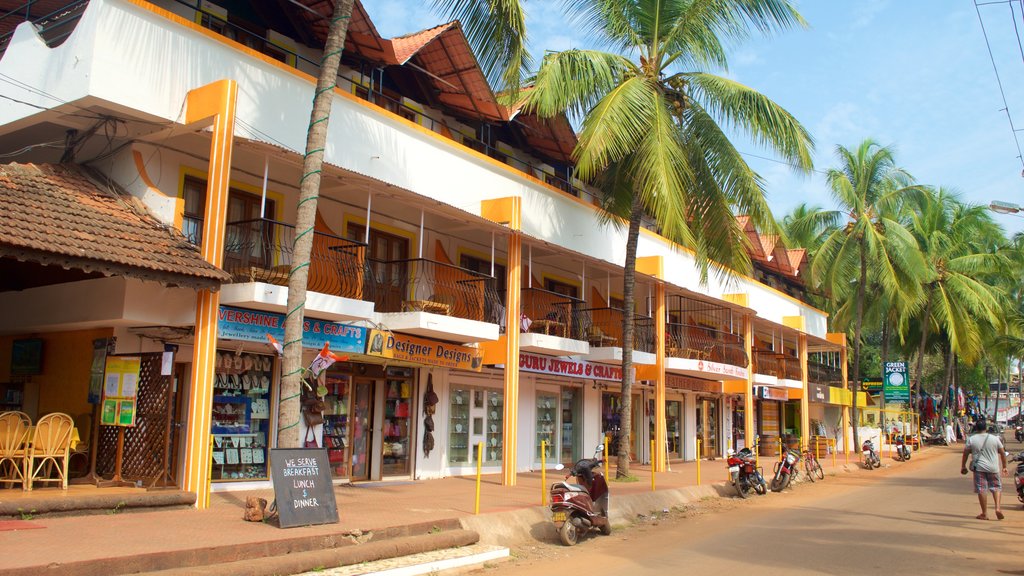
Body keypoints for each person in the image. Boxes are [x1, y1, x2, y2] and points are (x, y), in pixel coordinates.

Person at [961, 419, 1008, 520]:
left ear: (976, 428)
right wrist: (1004, 467)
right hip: (994, 468)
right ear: (986, 428)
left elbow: (965, 453)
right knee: (996, 488)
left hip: (979, 468)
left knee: (982, 489)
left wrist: (963, 466)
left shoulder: (972, 439)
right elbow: (1003, 453)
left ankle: (984, 513)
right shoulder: (994, 438)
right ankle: (998, 508)